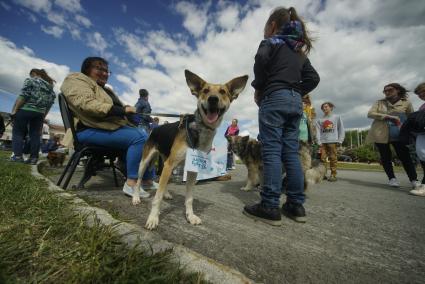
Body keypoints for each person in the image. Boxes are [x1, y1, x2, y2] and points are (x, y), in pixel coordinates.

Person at [243, 6, 320, 226]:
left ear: (273, 26)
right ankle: (296, 205)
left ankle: (269, 205)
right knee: (290, 154)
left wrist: (259, 87)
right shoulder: (298, 50)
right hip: (296, 103)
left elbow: (260, 61)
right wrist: (295, 91)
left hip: (274, 99)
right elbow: (314, 78)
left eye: (265, 26)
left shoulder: (271, 42)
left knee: (272, 152)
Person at [60, 57, 156, 198]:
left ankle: (147, 180)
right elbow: (86, 104)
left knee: (148, 138)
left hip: (102, 129)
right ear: (87, 69)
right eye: (99, 69)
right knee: (139, 137)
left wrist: (129, 113)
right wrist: (123, 111)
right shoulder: (76, 79)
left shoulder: (103, 89)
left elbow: (118, 110)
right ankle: (131, 184)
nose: (105, 73)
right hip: (86, 130)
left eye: (107, 71)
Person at [366, 83, 419, 188]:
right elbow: (370, 114)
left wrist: (411, 132)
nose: (387, 92)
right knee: (385, 157)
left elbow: (411, 118)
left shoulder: (406, 103)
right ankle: (392, 179)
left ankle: (414, 179)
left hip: (398, 133)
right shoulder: (379, 102)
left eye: (389, 89)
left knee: (405, 156)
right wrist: (387, 116)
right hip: (380, 133)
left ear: (398, 90)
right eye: (384, 91)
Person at [10, 68, 56, 164]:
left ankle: (17, 157)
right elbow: (50, 104)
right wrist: (43, 116)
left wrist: (14, 110)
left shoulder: (31, 80)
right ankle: (33, 158)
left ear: (34, 74)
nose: (31, 76)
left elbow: (23, 96)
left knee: (18, 133)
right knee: (35, 135)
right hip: (39, 113)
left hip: (25, 109)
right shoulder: (50, 87)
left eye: (31, 75)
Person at [400, 82, 425, 196]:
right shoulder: (422, 107)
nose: (421, 95)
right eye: (419, 93)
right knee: (422, 155)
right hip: (421, 133)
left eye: (423, 92)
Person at [315, 102, 345, 181]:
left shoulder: (337, 117)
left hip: (333, 141)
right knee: (322, 159)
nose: (324, 108)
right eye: (323, 107)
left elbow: (341, 129)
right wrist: (318, 141)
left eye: (326, 107)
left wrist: (340, 140)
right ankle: (323, 174)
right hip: (323, 142)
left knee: (333, 158)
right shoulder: (320, 120)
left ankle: (333, 175)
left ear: (331, 108)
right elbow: (318, 131)